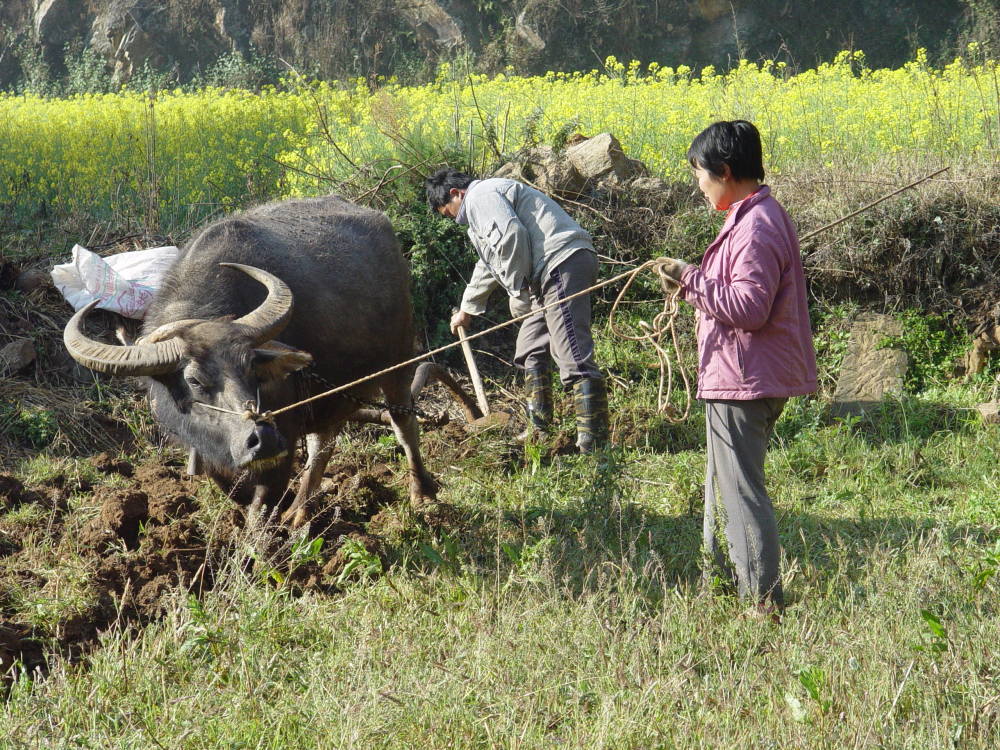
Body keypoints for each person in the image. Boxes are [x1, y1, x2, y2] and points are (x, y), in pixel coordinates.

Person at [658, 121, 817, 612]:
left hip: (743, 381)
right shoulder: (754, 217)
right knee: (729, 488)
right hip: (741, 376)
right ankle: (728, 583)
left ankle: (762, 603)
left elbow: (749, 308)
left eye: (699, 175)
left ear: (724, 171)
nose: (697, 185)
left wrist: (690, 280)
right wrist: (696, 281)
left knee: (743, 495)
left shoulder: (756, 225)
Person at [425, 168, 608, 453]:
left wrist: (517, 287)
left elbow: (511, 236)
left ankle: (593, 443)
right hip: (543, 276)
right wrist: (467, 309)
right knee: (530, 347)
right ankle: (540, 429)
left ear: (455, 194)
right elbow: (488, 264)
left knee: (570, 348)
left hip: (560, 262)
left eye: (448, 212)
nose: (452, 219)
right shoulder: (478, 211)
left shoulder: (480, 197)